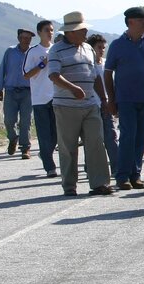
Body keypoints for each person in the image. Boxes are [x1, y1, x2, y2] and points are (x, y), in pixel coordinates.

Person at [46, 12, 114, 196]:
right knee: (68, 147)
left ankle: (99, 183)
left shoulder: (87, 48)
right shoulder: (56, 50)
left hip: (91, 104)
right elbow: (53, 75)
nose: (85, 32)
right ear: (70, 32)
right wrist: (73, 88)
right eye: (81, 29)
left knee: (96, 143)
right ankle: (69, 186)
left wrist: (104, 99)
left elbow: (95, 75)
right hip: (66, 106)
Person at [103, 7, 144, 191]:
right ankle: (122, 176)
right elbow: (108, 74)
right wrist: (111, 99)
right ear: (131, 22)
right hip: (125, 99)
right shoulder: (117, 45)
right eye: (142, 20)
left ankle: (135, 175)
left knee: (141, 138)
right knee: (128, 137)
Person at [23, 21, 58, 176]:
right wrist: (43, 64)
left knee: (56, 134)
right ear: (39, 32)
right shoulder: (33, 52)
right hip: (40, 99)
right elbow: (26, 75)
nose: (50, 33)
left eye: (51, 30)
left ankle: (45, 153)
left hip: (56, 97)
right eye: (46, 30)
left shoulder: (56, 50)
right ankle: (50, 167)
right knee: (44, 134)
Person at [0, 28, 34, 158]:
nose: (26, 40)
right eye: (24, 38)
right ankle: (13, 138)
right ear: (19, 38)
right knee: (9, 120)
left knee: (25, 121)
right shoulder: (10, 51)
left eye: (29, 38)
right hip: (11, 90)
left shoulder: (32, 53)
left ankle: (25, 148)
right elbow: (3, 69)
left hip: (28, 91)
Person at [88, 34, 119, 177]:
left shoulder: (108, 64)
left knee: (111, 137)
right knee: (94, 140)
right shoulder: (88, 64)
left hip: (108, 105)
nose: (101, 50)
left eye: (103, 48)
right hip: (92, 105)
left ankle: (116, 168)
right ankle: (91, 168)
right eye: (98, 47)